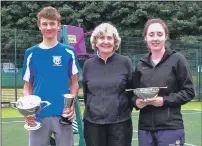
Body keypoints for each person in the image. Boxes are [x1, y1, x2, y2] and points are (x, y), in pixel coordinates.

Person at [22, 6, 80, 146]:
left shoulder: (69, 52)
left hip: (63, 115)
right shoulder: (30, 53)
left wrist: (71, 106)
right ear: (39, 26)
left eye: (52, 23)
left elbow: (74, 83)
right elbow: (27, 86)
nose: (49, 27)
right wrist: (28, 111)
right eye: (45, 24)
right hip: (38, 116)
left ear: (58, 25)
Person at [132, 18, 195, 146]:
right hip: (145, 129)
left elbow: (189, 91)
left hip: (170, 127)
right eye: (151, 34)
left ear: (166, 36)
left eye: (159, 34)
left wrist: (163, 100)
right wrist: (136, 102)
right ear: (145, 38)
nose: (155, 38)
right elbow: (134, 93)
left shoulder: (177, 60)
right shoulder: (140, 64)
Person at [82, 22, 134, 146]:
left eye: (109, 38)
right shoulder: (88, 65)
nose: (106, 41)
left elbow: (131, 91)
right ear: (95, 42)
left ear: (115, 41)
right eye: (102, 38)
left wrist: (121, 110)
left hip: (120, 124)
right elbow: (86, 93)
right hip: (93, 124)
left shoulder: (125, 62)